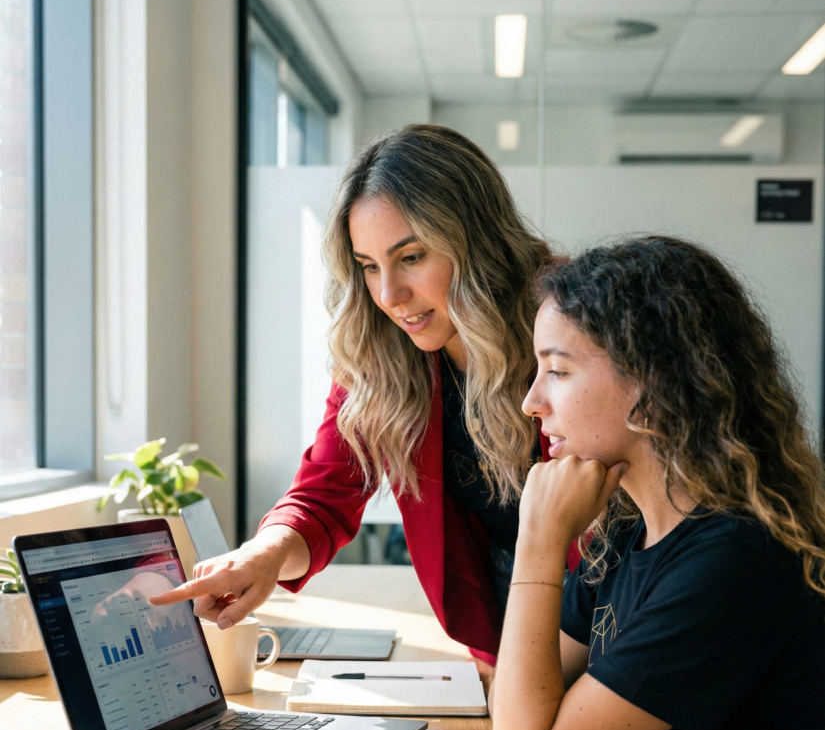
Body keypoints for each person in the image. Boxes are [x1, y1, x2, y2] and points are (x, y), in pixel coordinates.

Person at [491, 236, 825, 730]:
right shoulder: (628, 534)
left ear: (650, 383)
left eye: (556, 370)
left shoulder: (732, 562)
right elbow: (521, 706)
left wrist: (540, 543)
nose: (530, 401)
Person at [151, 124, 579, 671]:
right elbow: (326, 494)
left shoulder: (568, 326)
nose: (388, 296)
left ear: (477, 239)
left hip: (611, 611)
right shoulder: (380, 356)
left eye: (412, 257)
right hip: (503, 629)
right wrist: (262, 554)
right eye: (369, 266)